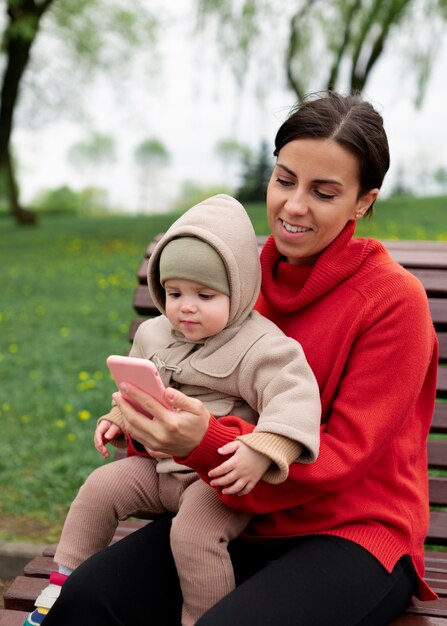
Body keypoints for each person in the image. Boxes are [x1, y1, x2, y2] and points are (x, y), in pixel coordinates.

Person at [40, 91, 438, 626]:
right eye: (284, 179)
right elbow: (185, 389)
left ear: (363, 201)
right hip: (230, 513)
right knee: (88, 601)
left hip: (349, 532)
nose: (294, 206)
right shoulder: (229, 287)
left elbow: (340, 457)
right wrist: (142, 421)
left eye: (323, 192)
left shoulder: (392, 301)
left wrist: (203, 441)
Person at [24, 194, 321, 626]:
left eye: (204, 294)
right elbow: (141, 391)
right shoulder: (155, 334)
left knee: (194, 534)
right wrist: (119, 419)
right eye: (174, 291)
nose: (185, 306)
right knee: (99, 488)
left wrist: (262, 448)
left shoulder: (264, 347)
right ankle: (62, 583)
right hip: (160, 470)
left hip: (218, 480)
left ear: (238, 291)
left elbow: (293, 399)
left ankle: (202, 618)